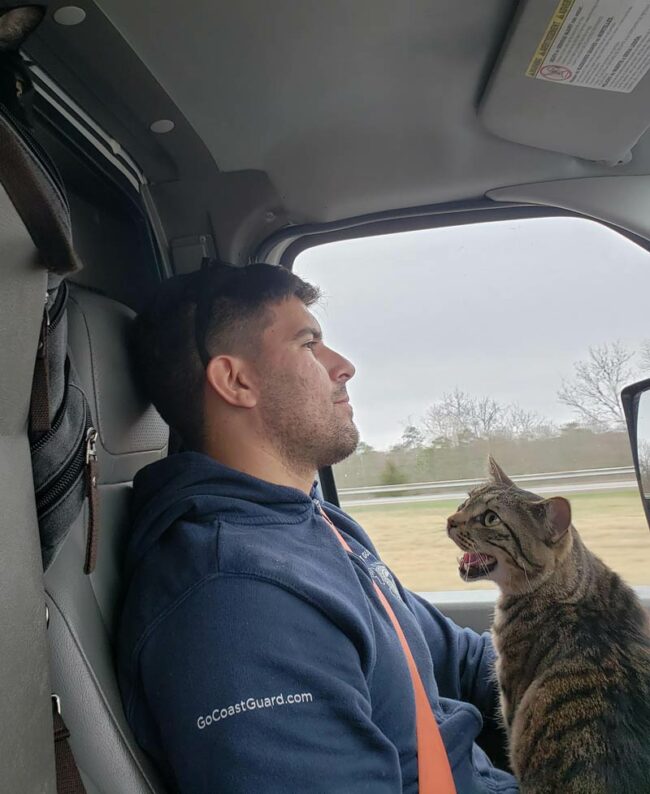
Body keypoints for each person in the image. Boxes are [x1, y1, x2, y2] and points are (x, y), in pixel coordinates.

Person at [116, 261, 519, 793]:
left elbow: (459, 660)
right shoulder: (235, 599)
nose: (344, 365)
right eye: (309, 344)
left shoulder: (313, 522)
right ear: (236, 381)